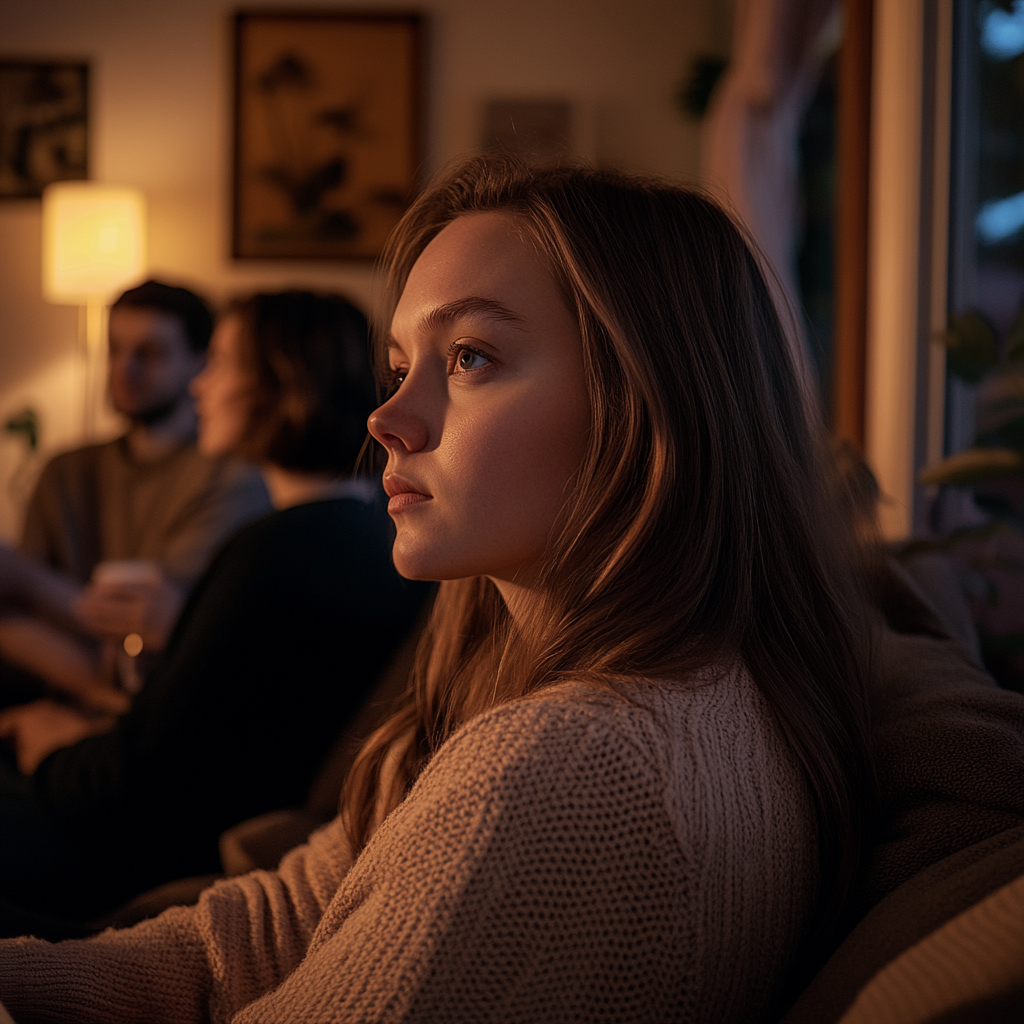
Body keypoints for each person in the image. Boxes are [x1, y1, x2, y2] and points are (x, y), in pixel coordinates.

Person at [0, 159, 874, 1021]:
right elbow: (275, 927)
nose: (388, 420)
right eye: (399, 365)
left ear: (649, 403)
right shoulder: (537, 684)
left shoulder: (567, 774)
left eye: (469, 357)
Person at [0, 291, 429, 937]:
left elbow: (126, 782)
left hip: (148, 853)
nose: (199, 384)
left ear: (282, 386)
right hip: (187, 816)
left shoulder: (279, 551)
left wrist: (48, 743)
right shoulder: (366, 533)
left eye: (221, 362)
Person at [0, 280, 271, 713]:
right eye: (115, 349)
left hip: (156, 690)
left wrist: (26, 578)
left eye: (150, 353)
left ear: (200, 364)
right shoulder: (65, 469)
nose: (124, 369)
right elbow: (18, 606)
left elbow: (159, 629)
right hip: (55, 684)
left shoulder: (232, 478)